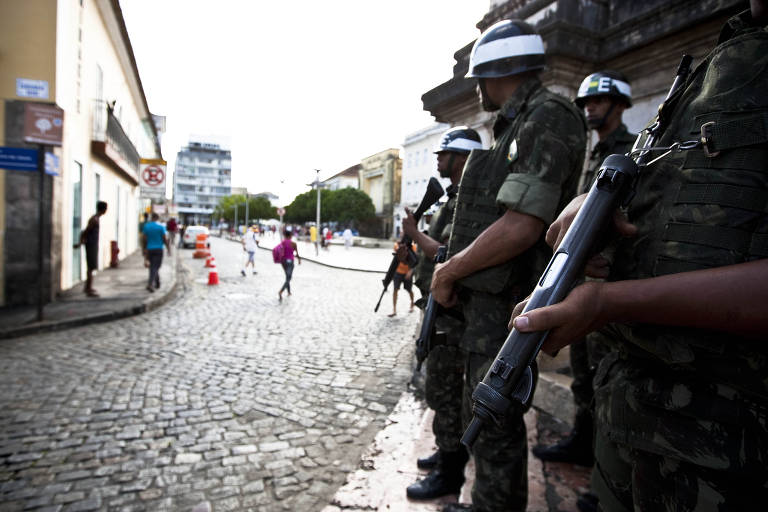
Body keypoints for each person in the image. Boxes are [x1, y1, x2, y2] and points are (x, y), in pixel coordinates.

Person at [511, 3, 768, 509]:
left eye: (599, 101)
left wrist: (611, 302)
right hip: (640, 420)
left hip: (733, 446)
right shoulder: (727, 58)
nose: (589, 110)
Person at [430, 20, 586, 512]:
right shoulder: (518, 123)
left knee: (495, 421)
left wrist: (449, 269)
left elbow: (522, 225)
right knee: (486, 415)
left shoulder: (547, 116)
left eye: (480, 77)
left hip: (510, 302)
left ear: (495, 72)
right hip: (491, 303)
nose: (476, 88)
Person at [532, 70, 636, 469]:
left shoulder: (634, 149)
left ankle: (606, 466)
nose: (590, 107)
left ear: (620, 104)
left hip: (614, 280)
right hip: (586, 277)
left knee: (607, 376)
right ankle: (582, 442)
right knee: (583, 372)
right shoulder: (593, 155)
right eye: (586, 102)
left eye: (599, 100)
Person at [402, 126, 483, 500]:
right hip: (438, 308)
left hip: (454, 315)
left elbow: (448, 255)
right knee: (440, 390)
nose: (437, 160)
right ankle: (445, 451)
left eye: (444, 154)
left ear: (462, 157)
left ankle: (450, 473)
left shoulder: (472, 199)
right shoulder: (453, 198)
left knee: (447, 391)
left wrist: (415, 234)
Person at [76, 201, 108, 297]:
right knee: (90, 267)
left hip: (93, 244)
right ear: (103, 209)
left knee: (92, 267)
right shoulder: (94, 219)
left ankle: (88, 286)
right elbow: (86, 231)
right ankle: (88, 288)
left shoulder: (96, 219)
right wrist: (81, 242)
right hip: (91, 245)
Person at [141, 213, 171, 293]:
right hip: (158, 249)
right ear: (157, 218)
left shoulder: (147, 226)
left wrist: (143, 249)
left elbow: (144, 239)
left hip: (149, 249)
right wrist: (168, 249)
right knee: (155, 267)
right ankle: (150, 284)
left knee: (153, 267)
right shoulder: (161, 227)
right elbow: (165, 239)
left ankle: (157, 282)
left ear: (151, 218)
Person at [389, 240, 417, 318]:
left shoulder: (413, 247)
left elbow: (415, 261)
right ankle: (394, 309)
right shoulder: (397, 245)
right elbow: (395, 258)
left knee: (409, 290)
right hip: (398, 272)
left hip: (407, 272)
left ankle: (412, 303)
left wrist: (410, 272)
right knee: (395, 289)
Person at [278, 227, 301, 301]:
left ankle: (288, 292)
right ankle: (281, 291)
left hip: (283, 262)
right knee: (289, 278)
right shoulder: (294, 244)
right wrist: (299, 260)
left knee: (287, 277)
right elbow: (297, 254)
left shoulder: (283, 243)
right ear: (290, 235)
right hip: (290, 262)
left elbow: (279, 251)